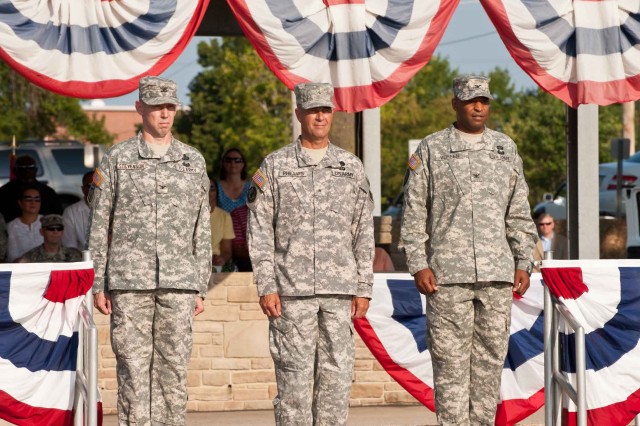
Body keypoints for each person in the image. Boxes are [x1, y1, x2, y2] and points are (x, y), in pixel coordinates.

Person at [399, 75, 537, 425]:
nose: (479, 107)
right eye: (471, 101)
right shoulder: (431, 149)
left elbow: (518, 211)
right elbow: (414, 210)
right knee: (450, 367)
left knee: (490, 365)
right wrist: (418, 263)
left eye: (484, 101)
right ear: (455, 104)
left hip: (496, 276)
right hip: (447, 277)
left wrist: (524, 260)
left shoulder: (505, 149)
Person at [248, 82, 375, 426]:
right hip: (292, 293)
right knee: (293, 385)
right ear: (299, 114)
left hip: (338, 292)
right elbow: (259, 231)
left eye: (326, 110)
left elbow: (363, 230)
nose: (320, 116)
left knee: (336, 382)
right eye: (313, 110)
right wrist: (266, 285)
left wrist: (364, 286)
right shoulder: (274, 167)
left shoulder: (350, 167)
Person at [89, 76, 211, 426]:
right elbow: (100, 224)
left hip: (178, 282)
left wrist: (200, 285)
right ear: (140, 107)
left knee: (173, 372)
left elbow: (201, 228)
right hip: (130, 282)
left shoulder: (192, 160)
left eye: (170, 107)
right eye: (156, 106)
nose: (164, 114)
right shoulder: (117, 158)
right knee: (133, 371)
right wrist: (100, 282)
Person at [0, 155, 62, 223]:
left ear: (35, 170)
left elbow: (57, 217)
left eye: (30, 167)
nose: (27, 171)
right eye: (22, 168)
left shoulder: (48, 192)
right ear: (15, 170)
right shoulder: (4, 192)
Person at [217, 148, 252, 271]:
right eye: (229, 160)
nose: (233, 163)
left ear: (243, 164)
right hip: (222, 242)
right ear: (223, 163)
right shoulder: (214, 187)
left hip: (245, 244)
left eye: (237, 160)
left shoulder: (252, 187)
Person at [17, 214, 82, 262]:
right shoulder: (30, 258)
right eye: (51, 229)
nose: (55, 232)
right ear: (42, 232)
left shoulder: (75, 255)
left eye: (59, 229)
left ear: (62, 232)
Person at [6, 186, 44, 262]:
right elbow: (12, 256)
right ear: (20, 203)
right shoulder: (11, 227)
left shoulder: (48, 222)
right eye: (28, 199)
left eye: (37, 199)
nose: (33, 202)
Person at [62, 171, 95, 250]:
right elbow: (70, 246)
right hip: (83, 260)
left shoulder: (115, 210)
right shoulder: (71, 212)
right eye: (91, 186)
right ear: (83, 189)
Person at [209, 179, 236, 272]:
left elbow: (226, 250)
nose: (207, 191)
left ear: (216, 192)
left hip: (215, 263)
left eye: (211, 188)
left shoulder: (224, 216)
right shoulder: (188, 215)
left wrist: (221, 259)